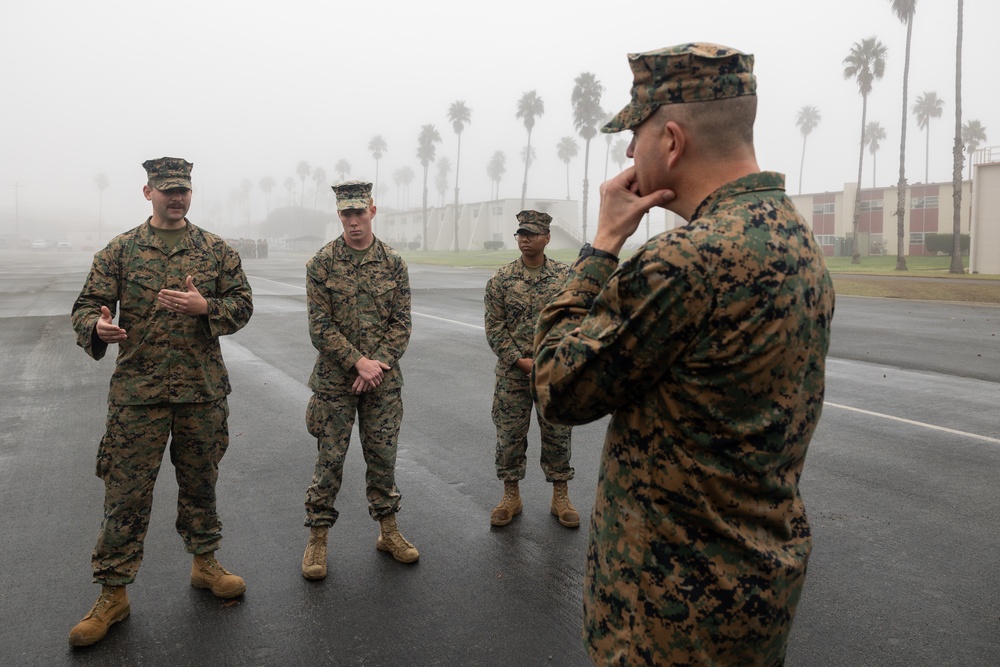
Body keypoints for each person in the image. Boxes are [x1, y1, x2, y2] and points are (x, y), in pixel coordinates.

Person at [531, 44, 835, 666]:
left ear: (670, 141)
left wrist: (602, 245)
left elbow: (558, 387)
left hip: (668, 616)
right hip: (754, 592)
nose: (628, 150)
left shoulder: (688, 260)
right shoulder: (791, 235)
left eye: (635, 132)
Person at [69, 157, 254, 647]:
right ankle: (113, 592)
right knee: (125, 496)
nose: (177, 198)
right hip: (138, 395)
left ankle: (205, 564)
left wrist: (206, 307)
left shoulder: (214, 250)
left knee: (201, 483)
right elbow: (86, 305)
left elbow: (243, 304)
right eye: (167, 190)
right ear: (147, 191)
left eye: (184, 190)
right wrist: (98, 328)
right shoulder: (122, 250)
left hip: (201, 390)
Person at [301, 179, 417, 580]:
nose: (354, 221)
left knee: (383, 459)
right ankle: (317, 537)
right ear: (339, 215)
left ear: (373, 210)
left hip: (382, 382)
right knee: (329, 460)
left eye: (359, 212)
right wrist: (356, 362)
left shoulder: (394, 263)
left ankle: (388, 530)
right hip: (336, 382)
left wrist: (377, 365)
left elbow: (401, 324)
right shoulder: (321, 264)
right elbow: (319, 326)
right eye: (346, 213)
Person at [483, 210, 577, 528]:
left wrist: (555, 357)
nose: (525, 239)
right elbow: (494, 327)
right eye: (521, 234)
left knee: (558, 435)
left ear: (547, 238)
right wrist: (518, 360)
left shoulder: (566, 278)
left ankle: (560, 496)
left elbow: (576, 322)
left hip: (553, 373)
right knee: (509, 436)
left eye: (532, 234)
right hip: (513, 373)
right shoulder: (502, 279)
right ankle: (511, 496)